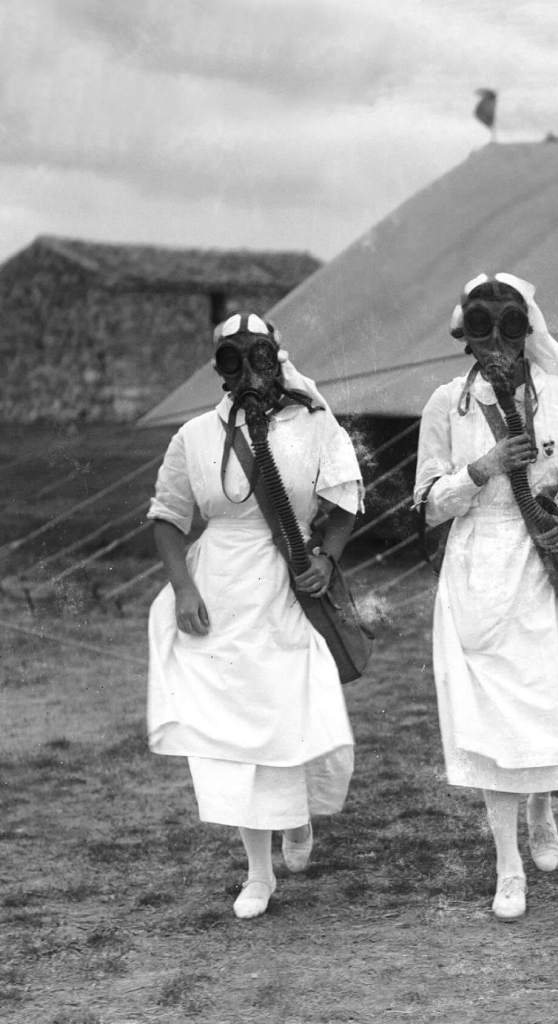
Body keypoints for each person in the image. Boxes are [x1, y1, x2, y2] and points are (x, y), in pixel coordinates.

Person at [414, 272, 558, 921]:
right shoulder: (445, 405)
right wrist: (480, 469)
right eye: (482, 326)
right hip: (477, 573)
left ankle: (544, 812)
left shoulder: (554, 394)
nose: (497, 342)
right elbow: (428, 503)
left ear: (527, 331)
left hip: (543, 567)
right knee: (492, 724)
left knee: (543, 707)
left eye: (510, 326)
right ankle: (507, 864)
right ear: (463, 333)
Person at [147, 311, 364, 920]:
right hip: (221, 589)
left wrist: (328, 555)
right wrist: (184, 589)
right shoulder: (193, 436)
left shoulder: (313, 428)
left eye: (259, 358)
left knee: (293, 710)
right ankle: (258, 871)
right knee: (236, 729)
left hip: (288, 583)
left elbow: (344, 500)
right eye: (231, 361)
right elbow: (166, 517)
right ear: (218, 370)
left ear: (277, 359)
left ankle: (297, 820)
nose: (247, 374)